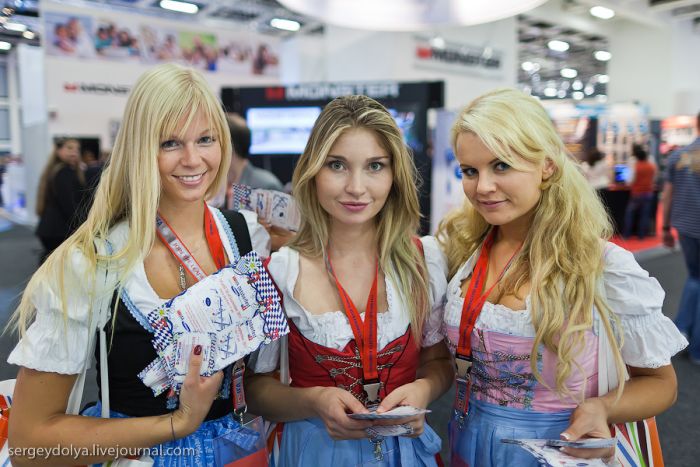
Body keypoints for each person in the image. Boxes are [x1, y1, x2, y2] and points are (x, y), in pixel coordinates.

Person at [7, 63, 270, 466]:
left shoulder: (247, 236)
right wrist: (177, 424)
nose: (192, 159)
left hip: (238, 451)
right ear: (139, 148)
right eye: (169, 143)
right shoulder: (91, 264)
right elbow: (31, 443)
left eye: (206, 139)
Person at [438, 88, 687, 467]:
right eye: (470, 171)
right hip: (469, 444)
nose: (482, 187)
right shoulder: (462, 250)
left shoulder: (603, 267)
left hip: (559, 451)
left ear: (548, 165)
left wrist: (602, 408)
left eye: (501, 165)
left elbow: (661, 384)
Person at [245, 95, 454, 466]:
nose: (356, 187)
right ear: (313, 170)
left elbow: (437, 361)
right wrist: (314, 401)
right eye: (337, 165)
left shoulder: (424, 259)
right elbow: (257, 390)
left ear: (395, 174)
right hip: (315, 451)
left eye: (375, 166)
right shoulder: (277, 272)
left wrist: (424, 389)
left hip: (403, 452)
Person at [662, 111, 700, 364]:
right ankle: (697, 349)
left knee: (695, 278)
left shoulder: (678, 156)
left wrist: (665, 227)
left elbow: (667, 195)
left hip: (686, 227)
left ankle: (679, 332)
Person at [35, 138, 86, 263]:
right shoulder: (64, 172)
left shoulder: (56, 170)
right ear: (58, 150)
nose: (74, 152)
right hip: (58, 230)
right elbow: (68, 205)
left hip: (51, 229)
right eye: (69, 148)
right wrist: (82, 227)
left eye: (77, 149)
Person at [623, 144, 657, 239]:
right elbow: (654, 178)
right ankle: (641, 235)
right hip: (648, 193)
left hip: (637, 193)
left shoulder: (636, 166)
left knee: (630, 214)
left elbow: (630, 180)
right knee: (644, 215)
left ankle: (627, 234)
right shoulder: (651, 166)